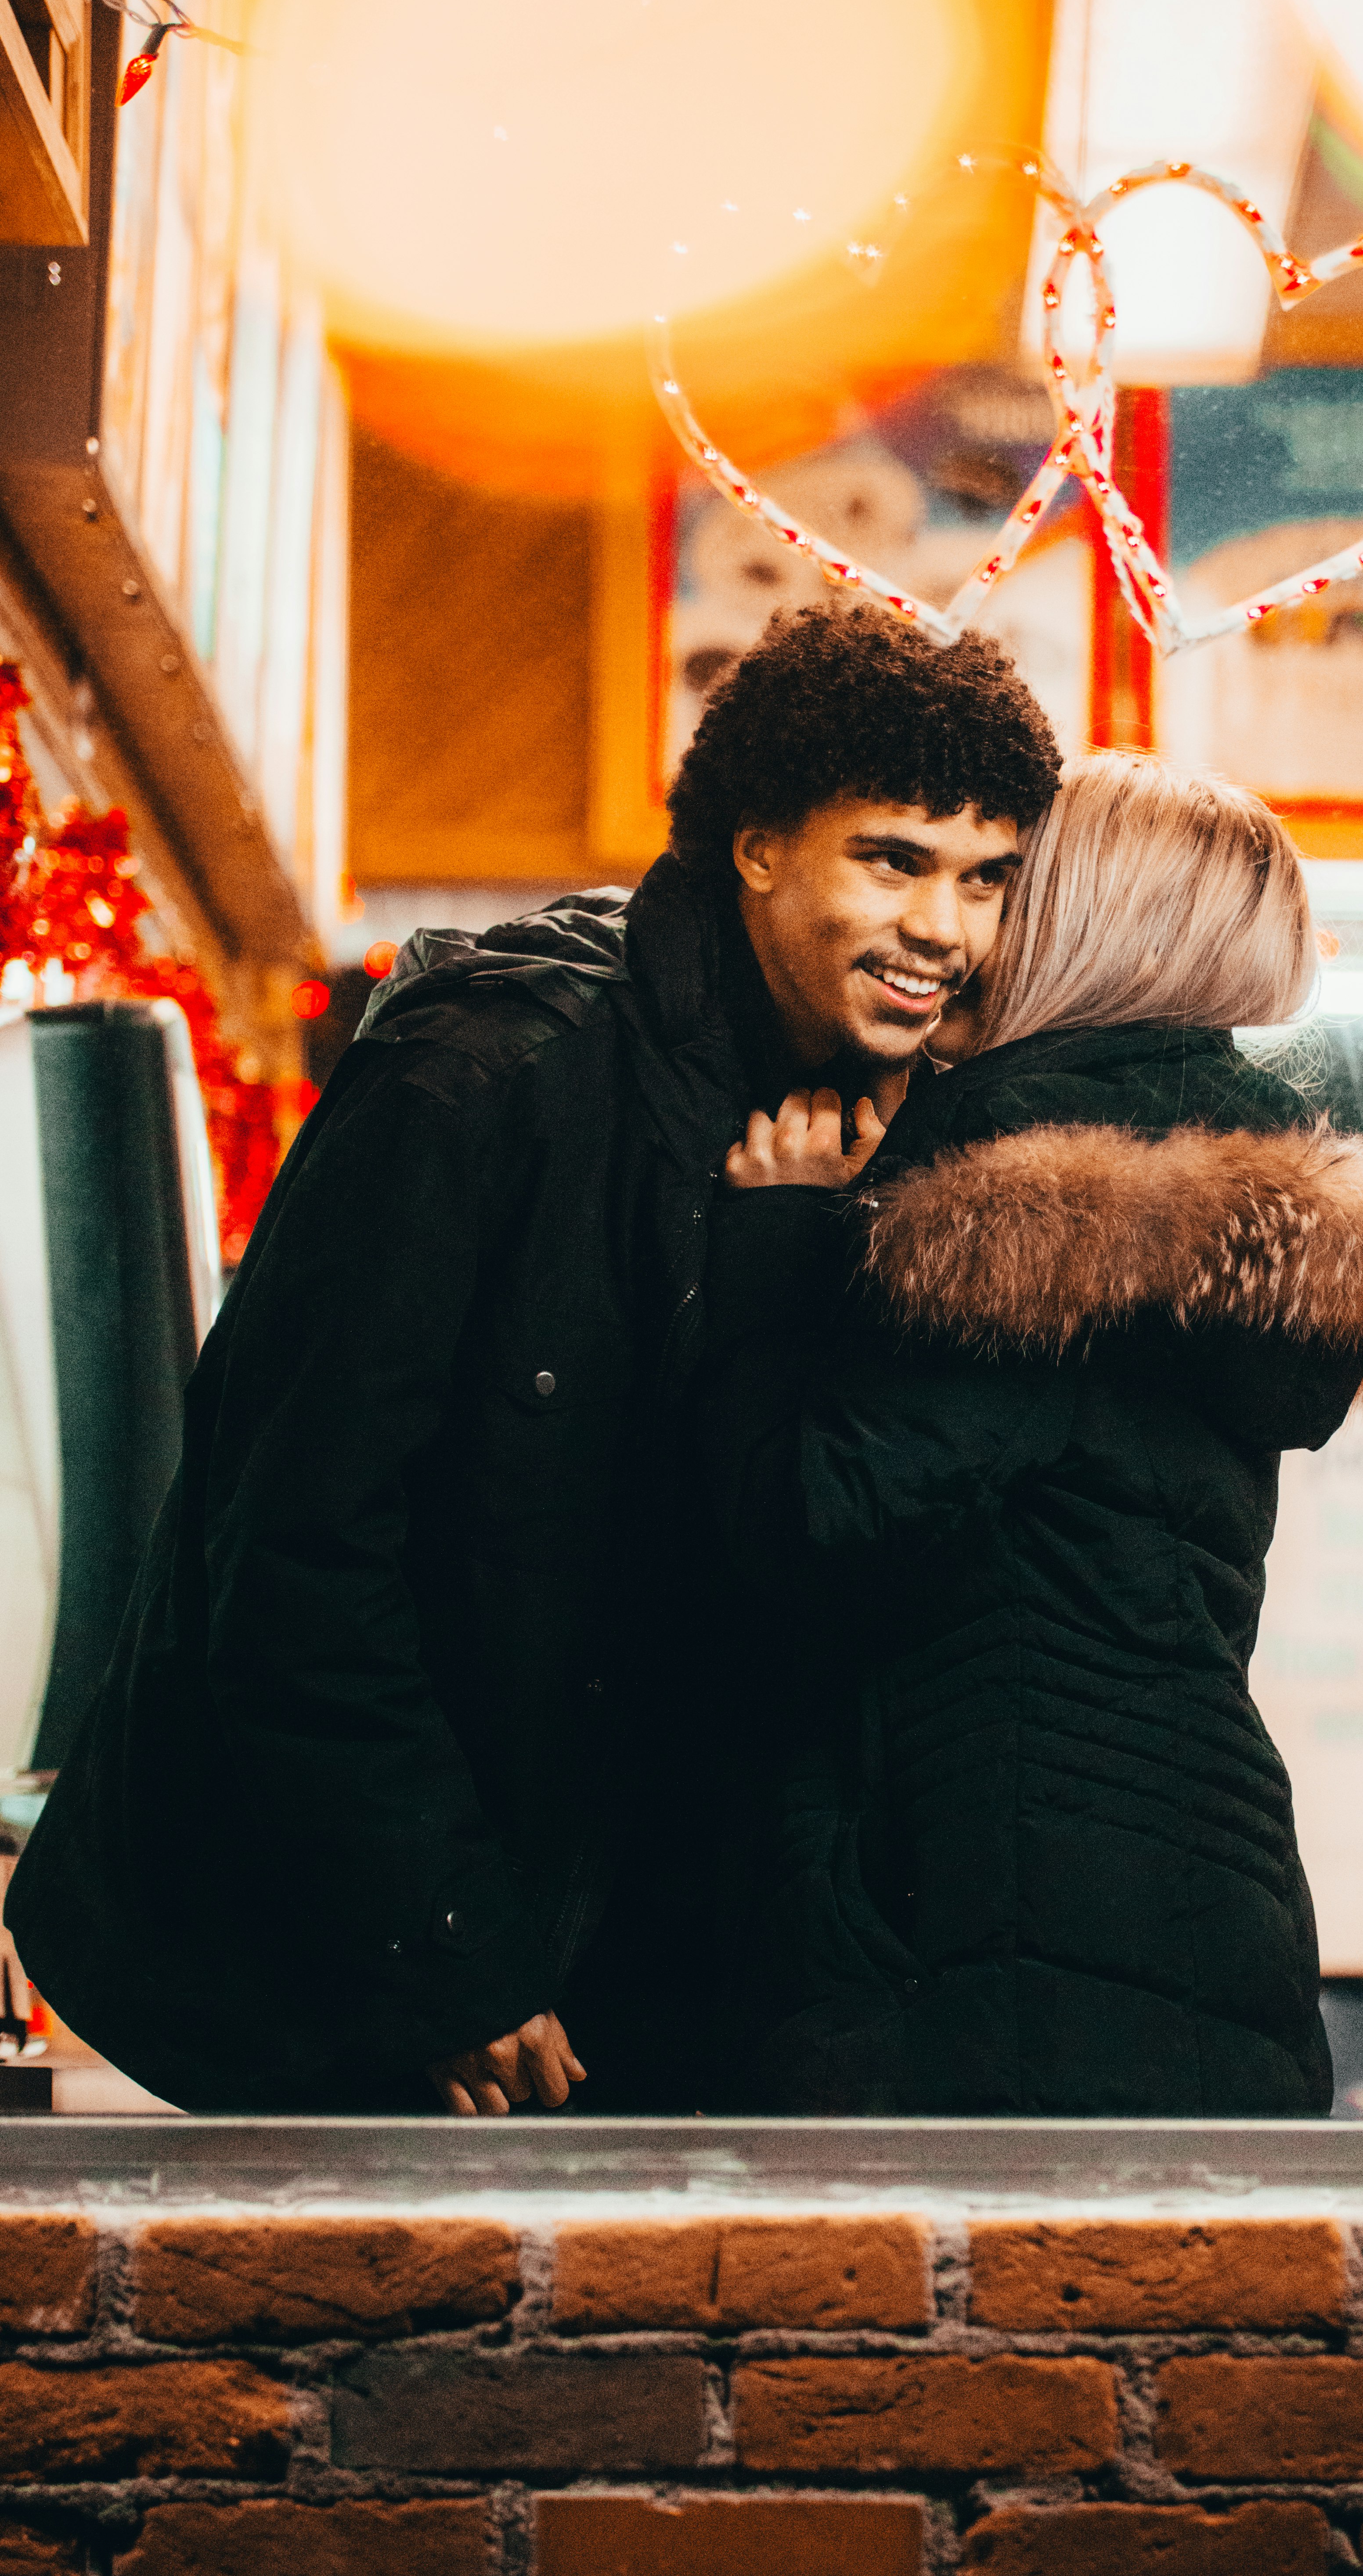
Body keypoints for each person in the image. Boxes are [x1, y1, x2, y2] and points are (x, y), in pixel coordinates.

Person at [7, 606, 1061, 2115]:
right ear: (757, 847)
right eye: (892, 860)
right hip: (319, 1982)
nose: (945, 930)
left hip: (604, 1999)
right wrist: (453, 1955)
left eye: (986, 878)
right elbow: (295, 1552)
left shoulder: (859, 1134)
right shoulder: (486, 1073)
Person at [696, 757, 1363, 2116]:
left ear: (1073, 920)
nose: (960, 927)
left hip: (982, 1924)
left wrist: (775, 1239)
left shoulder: (1016, 1203)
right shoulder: (1229, 1212)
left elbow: (790, 1523)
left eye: (1005, 884)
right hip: (1205, 1891)